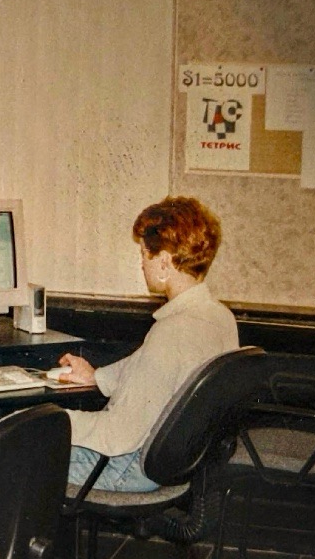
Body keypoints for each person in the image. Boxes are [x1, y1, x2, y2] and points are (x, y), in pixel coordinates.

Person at [53, 196, 238, 492]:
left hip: (128, 468)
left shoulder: (171, 332)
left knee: (11, 456)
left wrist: (47, 421)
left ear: (163, 261)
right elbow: (153, 369)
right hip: (178, 466)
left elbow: (117, 435)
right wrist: (97, 377)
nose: (141, 264)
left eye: (143, 254)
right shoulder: (219, 317)